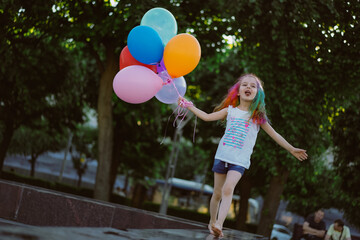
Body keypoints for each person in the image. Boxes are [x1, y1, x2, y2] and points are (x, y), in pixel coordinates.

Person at [178, 73, 308, 237]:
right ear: (238, 92)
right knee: (217, 193)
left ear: (257, 94)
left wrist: (291, 148)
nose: (248, 87)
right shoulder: (230, 111)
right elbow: (206, 117)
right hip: (222, 155)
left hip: (239, 161)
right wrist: (188, 105)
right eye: (245, 85)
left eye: (253, 86)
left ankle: (219, 223)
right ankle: (212, 220)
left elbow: (275, 135)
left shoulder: (257, 117)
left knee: (228, 188)